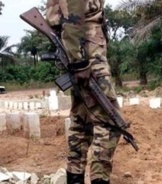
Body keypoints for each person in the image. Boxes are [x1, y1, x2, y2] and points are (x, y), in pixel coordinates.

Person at [46, 0, 121, 183]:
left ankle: (75, 178)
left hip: (80, 45)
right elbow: (73, 11)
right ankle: (99, 179)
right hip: (86, 48)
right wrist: (79, 62)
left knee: (82, 121)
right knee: (110, 122)